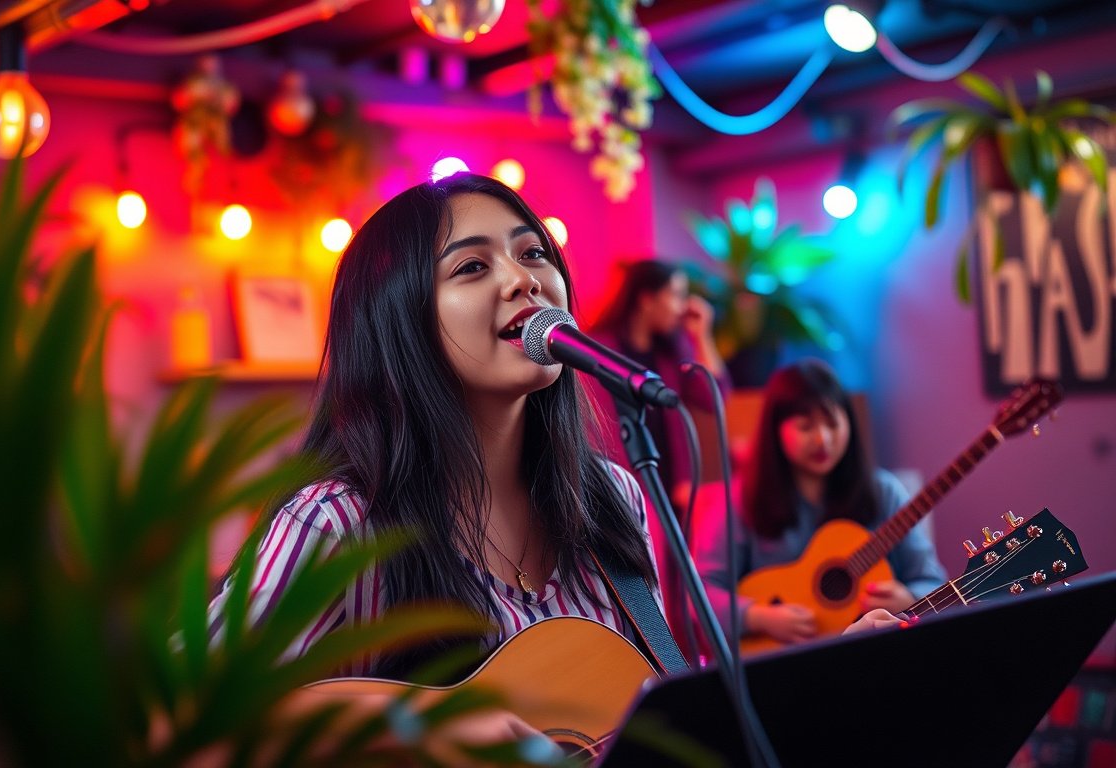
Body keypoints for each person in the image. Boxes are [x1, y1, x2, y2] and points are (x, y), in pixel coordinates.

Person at [208, 175, 901, 762]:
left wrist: (823, 680)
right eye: (471, 267)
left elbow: (656, 724)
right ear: (399, 323)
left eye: (533, 253)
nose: (523, 280)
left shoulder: (611, 497)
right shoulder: (341, 522)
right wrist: (424, 724)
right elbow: (185, 711)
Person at [693, 358, 948, 647]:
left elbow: (932, 579)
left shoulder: (885, 492)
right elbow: (700, 593)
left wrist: (910, 598)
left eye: (832, 423)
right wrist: (758, 617)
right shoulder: (738, 500)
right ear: (776, 431)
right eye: (805, 426)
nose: (822, 439)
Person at [586, 258, 730, 514]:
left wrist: (702, 336)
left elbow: (714, 398)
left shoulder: (671, 353)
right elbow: (595, 430)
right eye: (676, 295)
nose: (682, 307)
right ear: (647, 299)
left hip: (671, 490)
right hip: (620, 493)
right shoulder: (598, 352)